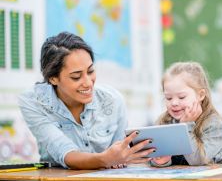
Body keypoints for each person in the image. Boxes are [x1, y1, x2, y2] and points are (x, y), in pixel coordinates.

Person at [18, 32, 154, 169]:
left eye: (90, 71)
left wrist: (121, 158)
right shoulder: (33, 102)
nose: (88, 83)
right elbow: (64, 151)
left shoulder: (113, 100)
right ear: (53, 78)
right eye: (76, 77)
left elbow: (119, 157)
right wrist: (106, 159)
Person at [151, 62, 222, 167]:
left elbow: (198, 161)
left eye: (181, 97)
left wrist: (186, 126)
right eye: (168, 98)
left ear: (201, 95)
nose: (174, 103)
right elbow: (152, 159)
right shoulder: (164, 122)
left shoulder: (215, 124)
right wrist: (161, 161)